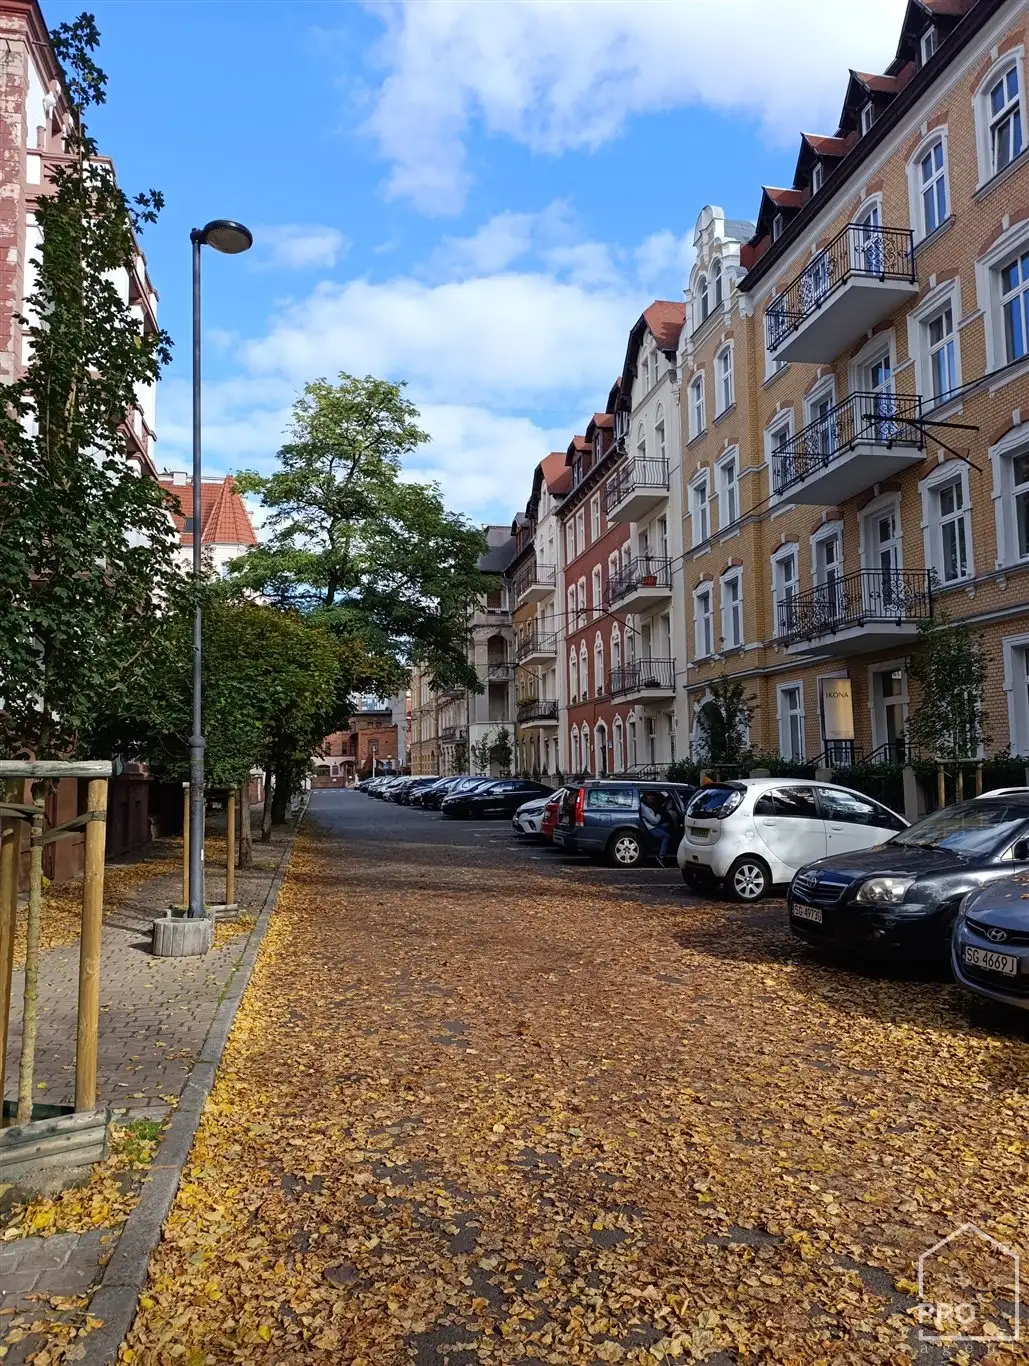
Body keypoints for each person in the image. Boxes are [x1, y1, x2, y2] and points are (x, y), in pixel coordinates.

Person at [640, 790, 675, 864]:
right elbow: (655, 821)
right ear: (647, 796)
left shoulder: (645, 806)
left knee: (666, 826)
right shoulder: (644, 808)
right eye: (652, 797)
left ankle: (663, 847)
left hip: (651, 826)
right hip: (650, 828)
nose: (653, 799)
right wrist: (659, 813)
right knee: (667, 836)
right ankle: (661, 857)